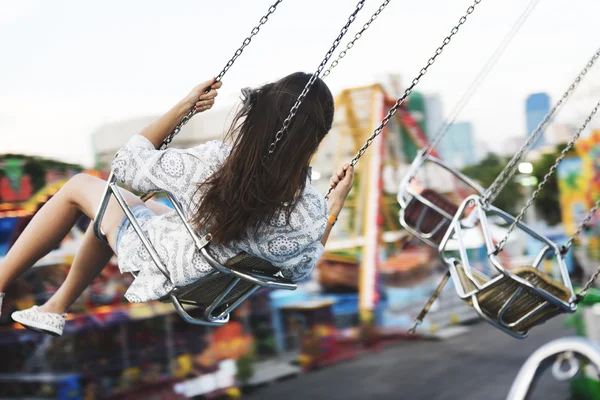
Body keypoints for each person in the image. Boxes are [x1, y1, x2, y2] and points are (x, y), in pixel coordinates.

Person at [0, 72, 355, 336]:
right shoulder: (311, 209)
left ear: (259, 120)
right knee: (128, 205)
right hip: (212, 281)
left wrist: (184, 106)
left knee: (81, 187)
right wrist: (334, 205)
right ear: (318, 136)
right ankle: (55, 307)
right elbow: (301, 268)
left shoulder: (217, 164)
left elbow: (126, 165)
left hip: (170, 263)